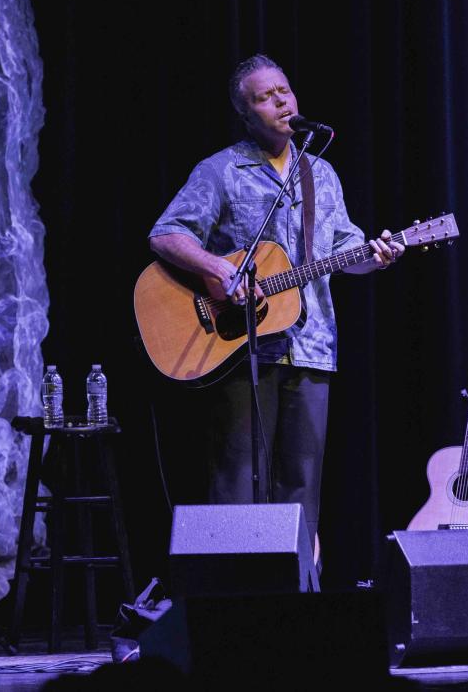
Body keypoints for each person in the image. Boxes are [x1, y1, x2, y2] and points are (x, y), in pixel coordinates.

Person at [148, 54, 404, 563]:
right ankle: (229, 599)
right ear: (246, 114)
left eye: (283, 91)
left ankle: (299, 603)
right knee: (237, 479)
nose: (280, 102)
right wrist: (219, 269)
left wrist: (376, 257)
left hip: (311, 347)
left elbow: (342, 250)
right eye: (264, 97)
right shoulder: (220, 170)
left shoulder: (321, 174)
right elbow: (166, 233)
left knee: (302, 485)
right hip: (240, 346)